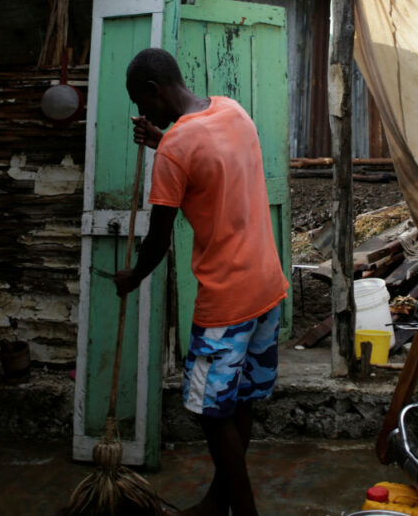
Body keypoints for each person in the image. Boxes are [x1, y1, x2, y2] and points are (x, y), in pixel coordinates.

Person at [113, 48, 289, 516]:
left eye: (143, 102)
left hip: (227, 301)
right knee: (242, 400)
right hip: (268, 287)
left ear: (154, 90)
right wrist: (161, 140)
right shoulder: (231, 109)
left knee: (211, 414)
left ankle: (242, 512)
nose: (145, 112)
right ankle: (217, 501)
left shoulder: (175, 149)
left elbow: (157, 239)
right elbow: (208, 159)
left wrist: (133, 276)